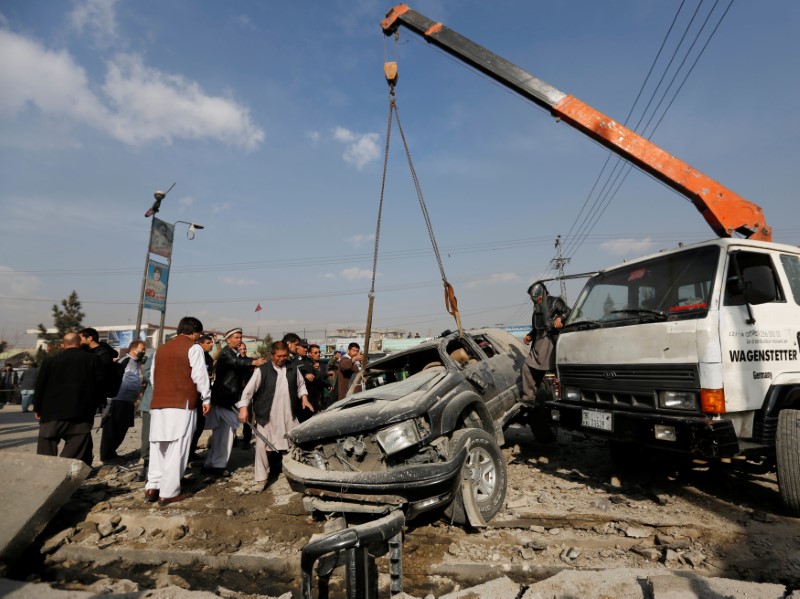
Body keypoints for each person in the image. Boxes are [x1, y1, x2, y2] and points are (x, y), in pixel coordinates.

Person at [146, 316, 211, 506]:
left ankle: (153, 486)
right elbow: (200, 375)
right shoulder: (194, 347)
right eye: (198, 334)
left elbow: (153, 377)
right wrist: (206, 397)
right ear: (194, 333)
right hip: (181, 403)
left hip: (159, 402)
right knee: (178, 446)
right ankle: (169, 492)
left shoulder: (161, 349)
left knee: (159, 445)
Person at [238, 340, 313, 491]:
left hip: (288, 413)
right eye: (278, 356)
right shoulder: (262, 370)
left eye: (284, 356)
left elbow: (300, 385)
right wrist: (243, 408)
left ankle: (296, 475)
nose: (281, 359)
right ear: (272, 355)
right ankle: (261, 479)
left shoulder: (292, 368)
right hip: (267, 415)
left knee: (294, 445)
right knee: (262, 447)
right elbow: (248, 391)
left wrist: (304, 398)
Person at [33, 333, 104, 466]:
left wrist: (37, 407)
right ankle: (62, 469)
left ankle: (44, 470)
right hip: (81, 410)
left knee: (47, 440)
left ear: (62, 345)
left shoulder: (50, 361)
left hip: (51, 411)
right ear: (80, 343)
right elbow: (100, 383)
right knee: (77, 441)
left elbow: (40, 386)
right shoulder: (92, 359)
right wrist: (97, 404)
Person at [203, 328, 266, 476]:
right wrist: (254, 362)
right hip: (226, 399)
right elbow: (237, 363)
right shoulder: (226, 354)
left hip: (225, 399)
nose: (239, 340)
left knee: (221, 434)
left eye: (240, 337)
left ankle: (211, 464)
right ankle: (218, 466)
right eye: (236, 337)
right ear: (228, 340)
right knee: (226, 434)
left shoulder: (233, 353)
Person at [523, 282, 570, 443]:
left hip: (552, 340)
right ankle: (529, 398)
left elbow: (569, 312)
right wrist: (530, 335)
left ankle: (566, 399)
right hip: (539, 342)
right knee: (527, 368)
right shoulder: (536, 310)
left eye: (535, 298)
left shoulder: (555, 302)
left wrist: (560, 317)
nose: (533, 301)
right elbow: (537, 328)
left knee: (556, 373)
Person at [99, 340, 146, 464]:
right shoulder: (124, 361)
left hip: (128, 401)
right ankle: (107, 456)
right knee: (112, 429)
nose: (144, 351)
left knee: (122, 428)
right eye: (142, 348)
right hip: (117, 400)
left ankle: (112, 453)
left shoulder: (137, 363)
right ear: (133, 349)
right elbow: (113, 378)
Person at [188, 334, 215, 461]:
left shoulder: (208, 358)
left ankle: (191, 451)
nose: (211, 345)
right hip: (193, 395)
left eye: (212, 343)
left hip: (203, 396)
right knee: (191, 426)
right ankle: (186, 454)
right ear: (201, 343)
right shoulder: (195, 354)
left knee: (199, 426)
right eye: (209, 342)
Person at [79, 327, 119, 398]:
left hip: (97, 393)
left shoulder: (103, 353)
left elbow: (103, 373)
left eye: (81, 338)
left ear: (89, 338)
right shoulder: (84, 351)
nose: (79, 341)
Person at [133, 356, 154, 483]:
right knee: (148, 437)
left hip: (173, 405)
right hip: (151, 403)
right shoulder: (157, 355)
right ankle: (147, 468)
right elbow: (147, 374)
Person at [301, 344, 327, 417]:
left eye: (319, 352)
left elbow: (323, 378)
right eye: (315, 353)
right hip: (310, 396)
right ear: (310, 354)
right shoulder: (306, 364)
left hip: (321, 395)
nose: (318, 354)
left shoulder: (321, 364)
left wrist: (327, 385)